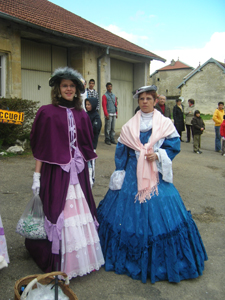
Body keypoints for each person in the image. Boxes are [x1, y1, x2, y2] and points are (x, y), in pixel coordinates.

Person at [97, 85, 207, 284]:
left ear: (155, 101)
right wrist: (120, 171)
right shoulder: (130, 125)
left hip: (155, 172)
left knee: (162, 212)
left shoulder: (164, 123)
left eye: (149, 98)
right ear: (138, 102)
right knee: (126, 214)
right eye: (142, 99)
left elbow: (174, 145)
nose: (145, 102)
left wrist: (159, 155)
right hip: (132, 176)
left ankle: (159, 262)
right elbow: (121, 150)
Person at [25, 67, 104, 279]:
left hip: (77, 175)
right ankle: (58, 259)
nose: (68, 89)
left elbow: (87, 145)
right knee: (57, 212)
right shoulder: (46, 112)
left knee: (80, 213)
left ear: (77, 90)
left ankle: (81, 258)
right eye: (64, 85)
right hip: (55, 174)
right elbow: (41, 147)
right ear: (58, 89)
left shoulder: (82, 115)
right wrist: (37, 176)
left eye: (72, 86)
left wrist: (89, 170)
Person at [85, 97, 102, 187]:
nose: (87, 106)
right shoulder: (85, 114)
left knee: (91, 163)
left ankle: (92, 179)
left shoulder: (96, 117)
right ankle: (85, 179)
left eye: (89, 104)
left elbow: (95, 130)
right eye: (86, 104)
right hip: (84, 143)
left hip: (92, 144)